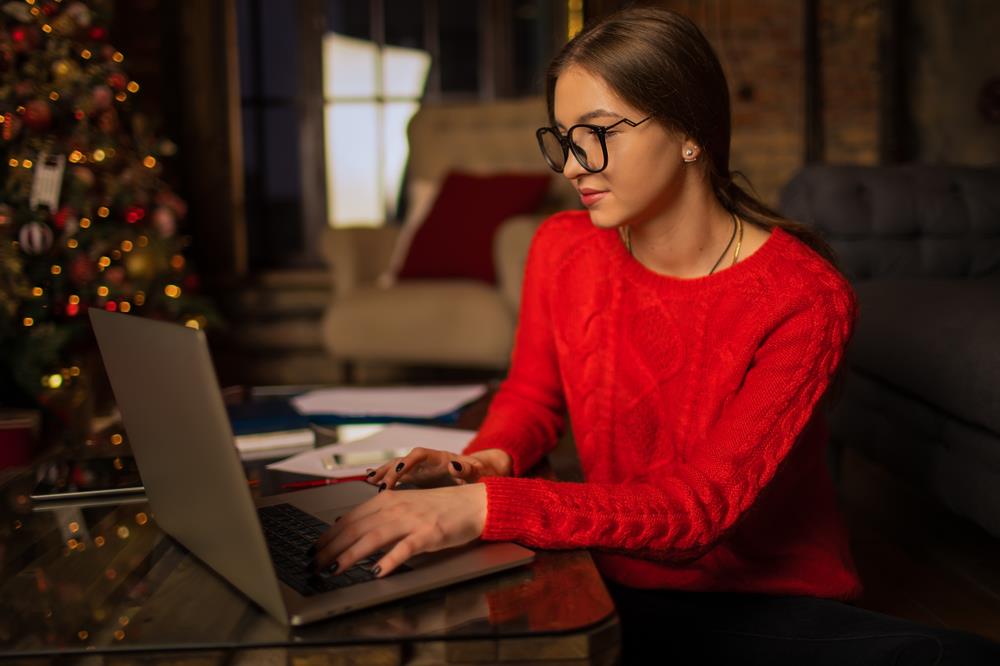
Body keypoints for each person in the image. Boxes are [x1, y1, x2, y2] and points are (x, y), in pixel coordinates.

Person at [312, 7, 1000, 664]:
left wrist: (480, 507)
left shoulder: (805, 299)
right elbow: (532, 394)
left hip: (754, 601)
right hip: (601, 567)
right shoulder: (561, 247)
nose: (573, 164)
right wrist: (483, 464)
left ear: (688, 129)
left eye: (597, 132)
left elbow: (697, 509)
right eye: (561, 138)